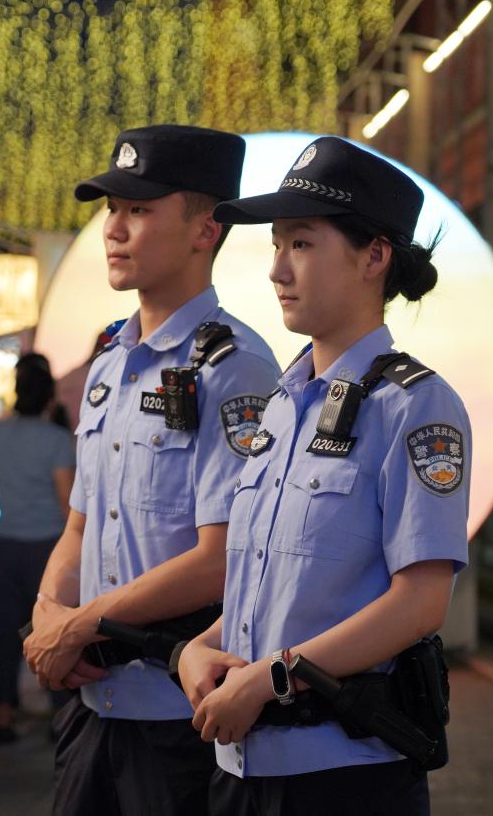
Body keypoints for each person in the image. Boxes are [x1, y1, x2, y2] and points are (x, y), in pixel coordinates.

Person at [177, 136, 471, 816]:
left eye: (302, 244)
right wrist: (200, 648)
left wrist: (271, 680)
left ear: (374, 256)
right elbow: (272, 585)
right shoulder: (282, 406)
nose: (277, 269)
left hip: (344, 776)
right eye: (276, 244)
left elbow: (422, 602)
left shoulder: (415, 406)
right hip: (240, 768)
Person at [23, 124, 279, 816]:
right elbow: (81, 524)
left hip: (178, 716)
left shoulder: (236, 369)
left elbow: (222, 558)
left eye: (139, 210)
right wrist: (48, 612)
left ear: (206, 229)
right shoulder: (109, 361)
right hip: (91, 705)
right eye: (113, 209)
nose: (113, 228)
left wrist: (79, 626)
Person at [0, 355, 76, 743]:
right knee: (52, 628)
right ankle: (61, 715)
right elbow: (67, 503)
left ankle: (3, 715)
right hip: (48, 548)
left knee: (5, 631)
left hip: (6, 544)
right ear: (49, 396)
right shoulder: (56, 440)